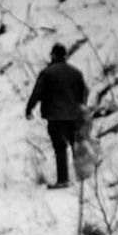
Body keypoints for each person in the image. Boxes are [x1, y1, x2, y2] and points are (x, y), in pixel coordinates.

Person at [24, 42, 90, 188]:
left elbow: (37, 92)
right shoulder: (76, 72)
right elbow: (85, 91)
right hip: (73, 115)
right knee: (75, 144)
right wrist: (80, 105)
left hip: (54, 117)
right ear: (65, 55)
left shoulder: (47, 73)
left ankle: (63, 179)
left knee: (60, 147)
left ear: (53, 55)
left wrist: (29, 109)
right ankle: (82, 177)